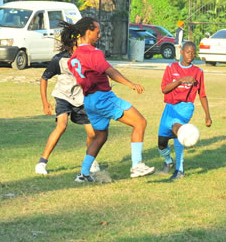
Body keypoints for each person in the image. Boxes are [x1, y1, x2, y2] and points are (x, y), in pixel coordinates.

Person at [66, 17, 155, 183]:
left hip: (89, 101)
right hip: (103, 98)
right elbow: (110, 71)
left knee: (100, 136)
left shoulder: (74, 57)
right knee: (140, 122)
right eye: (97, 32)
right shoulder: (93, 53)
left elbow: (90, 75)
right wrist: (131, 84)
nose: (99, 35)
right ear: (88, 32)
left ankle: (83, 173)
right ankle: (137, 165)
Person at [35, 26, 101, 176]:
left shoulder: (89, 56)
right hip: (63, 96)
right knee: (62, 125)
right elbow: (44, 78)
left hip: (81, 98)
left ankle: (90, 160)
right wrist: (45, 103)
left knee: (93, 133)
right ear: (73, 42)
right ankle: (42, 163)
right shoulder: (59, 59)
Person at [157, 41, 212, 181]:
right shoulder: (171, 68)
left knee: (179, 130)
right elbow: (164, 89)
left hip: (185, 107)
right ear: (181, 52)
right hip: (170, 107)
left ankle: (180, 170)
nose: (191, 56)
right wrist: (180, 80)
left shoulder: (198, 72)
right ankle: (169, 161)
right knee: (161, 143)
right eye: (188, 52)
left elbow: (202, 94)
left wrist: (207, 115)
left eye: (193, 53)